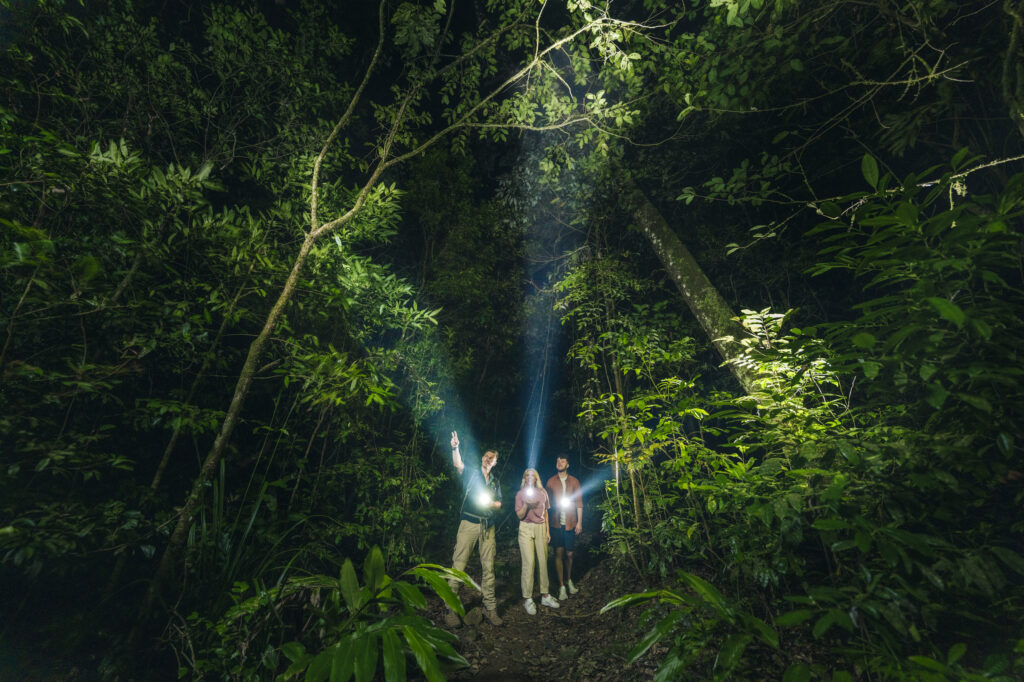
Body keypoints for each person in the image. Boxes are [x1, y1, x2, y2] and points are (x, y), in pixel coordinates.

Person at [445, 430, 503, 627]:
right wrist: (455, 447)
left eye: (492, 458)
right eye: (486, 456)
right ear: (482, 458)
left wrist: (491, 504)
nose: (488, 459)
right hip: (469, 523)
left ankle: (490, 608)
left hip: (488, 526)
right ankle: (450, 609)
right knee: (459, 565)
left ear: (495, 462)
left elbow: (499, 504)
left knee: (489, 568)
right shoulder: (472, 472)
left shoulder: (495, 481)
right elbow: (458, 465)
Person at [515, 468, 560, 615]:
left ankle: (545, 595)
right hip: (525, 528)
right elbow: (519, 516)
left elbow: (546, 513)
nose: (529, 477)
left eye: (532, 475)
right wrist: (526, 505)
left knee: (543, 561)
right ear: (524, 478)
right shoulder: (520, 494)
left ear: (536, 478)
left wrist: (547, 531)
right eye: (527, 475)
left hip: (540, 528)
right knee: (529, 563)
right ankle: (527, 598)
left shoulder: (543, 493)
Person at [546, 455, 582, 601]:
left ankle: (569, 580)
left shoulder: (574, 481)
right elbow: (546, 504)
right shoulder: (550, 481)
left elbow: (579, 503)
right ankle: (561, 586)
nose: (559, 463)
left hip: (570, 522)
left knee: (570, 554)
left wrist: (579, 522)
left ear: (568, 465)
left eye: (562, 461)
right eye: (557, 460)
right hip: (556, 523)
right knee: (558, 553)